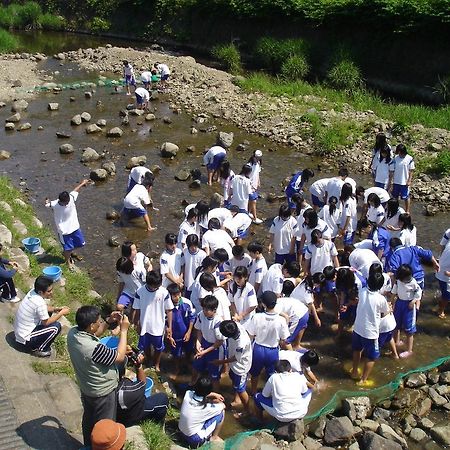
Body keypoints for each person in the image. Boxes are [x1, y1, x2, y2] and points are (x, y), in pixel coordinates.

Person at [67, 306, 129, 447]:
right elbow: (119, 357)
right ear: (91, 325)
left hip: (87, 387)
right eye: (98, 322)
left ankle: (88, 445)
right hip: (103, 393)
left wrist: (108, 321)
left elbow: (96, 333)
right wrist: (123, 330)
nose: (100, 323)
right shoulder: (93, 349)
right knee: (104, 427)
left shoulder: (73, 333)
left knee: (89, 419)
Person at [351, 266, 389, 386]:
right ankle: (363, 380)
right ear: (380, 286)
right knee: (371, 357)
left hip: (357, 328)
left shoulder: (362, 291)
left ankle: (355, 371)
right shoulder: (380, 299)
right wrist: (390, 309)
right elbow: (384, 312)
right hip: (370, 332)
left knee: (357, 350)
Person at [246, 291, 291, 394]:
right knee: (272, 375)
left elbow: (250, 335)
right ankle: (270, 393)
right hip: (272, 351)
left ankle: (253, 392)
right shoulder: (281, 320)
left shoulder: (257, 317)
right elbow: (284, 339)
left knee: (254, 374)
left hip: (258, 349)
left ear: (263, 304)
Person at [14, 276, 69, 357]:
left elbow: (43, 309)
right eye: (49, 291)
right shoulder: (39, 302)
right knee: (56, 327)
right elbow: (46, 322)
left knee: (48, 313)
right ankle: (39, 349)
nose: (51, 292)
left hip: (20, 332)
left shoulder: (33, 292)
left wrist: (55, 309)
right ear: (40, 292)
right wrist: (61, 313)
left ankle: (38, 342)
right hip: (25, 339)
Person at [132, 270, 173, 371]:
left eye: (157, 286)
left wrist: (169, 327)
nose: (155, 288)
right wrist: (136, 323)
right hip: (144, 325)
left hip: (158, 327)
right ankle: (148, 359)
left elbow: (169, 310)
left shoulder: (164, 292)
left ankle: (157, 364)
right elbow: (136, 309)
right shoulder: (140, 292)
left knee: (158, 348)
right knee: (145, 346)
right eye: (153, 286)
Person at [116, 348, 169, 427]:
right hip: (128, 417)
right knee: (163, 398)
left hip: (116, 412)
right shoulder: (125, 391)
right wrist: (139, 366)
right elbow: (142, 383)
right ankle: (157, 424)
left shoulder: (103, 383)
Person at [45, 179, 90, 269]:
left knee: (81, 243)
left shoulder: (71, 198)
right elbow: (47, 204)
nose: (66, 204)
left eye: (67, 202)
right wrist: (46, 201)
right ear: (60, 201)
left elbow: (75, 190)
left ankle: (67, 253)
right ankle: (68, 262)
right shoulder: (54, 204)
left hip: (75, 228)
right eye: (64, 203)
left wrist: (82, 183)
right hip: (64, 232)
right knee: (68, 248)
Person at [214, 320, 253, 415]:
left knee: (240, 389)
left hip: (240, 367)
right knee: (233, 379)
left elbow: (235, 358)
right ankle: (237, 399)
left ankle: (247, 410)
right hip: (234, 364)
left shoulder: (241, 343)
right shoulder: (236, 326)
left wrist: (221, 362)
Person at [179, 376, 225, 447]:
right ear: (208, 391)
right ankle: (214, 437)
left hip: (181, 430)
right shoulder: (207, 408)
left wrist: (214, 394)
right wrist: (216, 401)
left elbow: (198, 393)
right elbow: (223, 406)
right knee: (221, 413)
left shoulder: (188, 394)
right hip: (194, 439)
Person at [191, 295, 225, 388]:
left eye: (207, 310)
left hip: (215, 350)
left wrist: (204, 352)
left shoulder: (218, 322)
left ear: (214, 310)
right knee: (196, 365)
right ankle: (192, 383)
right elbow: (198, 330)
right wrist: (198, 343)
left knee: (214, 376)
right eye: (203, 309)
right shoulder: (201, 315)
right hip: (204, 343)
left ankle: (215, 394)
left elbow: (219, 342)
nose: (204, 311)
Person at [392, 264, 422, 359]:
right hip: (399, 303)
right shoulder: (398, 281)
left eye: (409, 277)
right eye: (406, 278)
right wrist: (392, 303)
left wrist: (413, 301)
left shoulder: (413, 282)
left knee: (409, 330)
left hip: (409, 306)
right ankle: (397, 341)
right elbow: (394, 292)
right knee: (396, 325)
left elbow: (419, 292)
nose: (408, 279)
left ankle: (409, 350)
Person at [166, 283, 195, 375]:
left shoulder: (187, 303)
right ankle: (177, 368)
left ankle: (187, 363)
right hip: (175, 335)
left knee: (189, 350)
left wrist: (189, 332)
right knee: (176, 354)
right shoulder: (166, 306)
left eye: (179, 294)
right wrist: (169, 336)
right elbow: (164, 322)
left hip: (186, 333)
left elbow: (192, 317)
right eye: (174, 295)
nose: (177, 297)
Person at [275, 280, 310, 350]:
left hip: (298, 315)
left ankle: (292, 357)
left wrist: (286, 329)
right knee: (301, 326)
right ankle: (297, 345)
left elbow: (286, 317)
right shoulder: (280, 300)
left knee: (285, 340)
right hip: (305, 312)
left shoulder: (275, 307)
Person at [388, 143, 415, 213]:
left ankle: (407, 211)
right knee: (395, 197)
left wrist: (409, 180)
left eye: (400, 152)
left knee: (406, 197)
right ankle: (395, 210)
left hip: (404, 182)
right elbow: (391, 170)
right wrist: (390, 182)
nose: (399, 153)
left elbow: (411, 170)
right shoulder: (395, 158)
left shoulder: (409, 158)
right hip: (396, 181)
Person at [182, 234, 207, 300]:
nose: (193, 248)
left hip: (198, 283)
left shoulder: (202, 255)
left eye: (195, 246)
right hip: (188, 282)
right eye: (191, 246)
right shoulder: (185, 252)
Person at [247, 150, 263, 224]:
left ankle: (248, 212)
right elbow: (246, 177)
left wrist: (258, 182)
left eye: (259, 157)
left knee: (251, 201)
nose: (257, 159)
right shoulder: (249, 165)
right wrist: (251, 186)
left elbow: (257, 173)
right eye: (256, 157)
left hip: (255, 185)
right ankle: (255, 218)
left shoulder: (258, 163)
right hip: (250, 186)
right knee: (254, 201)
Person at [436, 239, 450, 318]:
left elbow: (441, 246)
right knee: (447, 296)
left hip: (440, 268)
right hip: (445, 275)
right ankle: (441, 310)